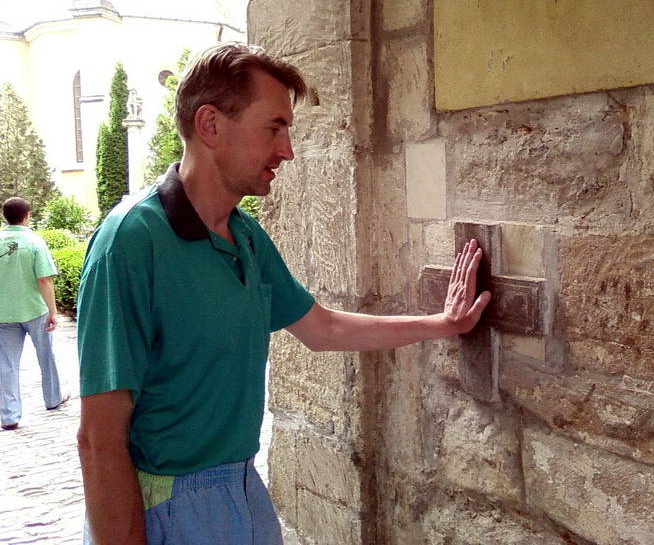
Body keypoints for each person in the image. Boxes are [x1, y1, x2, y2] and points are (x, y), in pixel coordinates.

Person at [76, 42, 491, 545]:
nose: (287, 150)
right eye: (274, 128)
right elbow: (98, 441)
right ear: (210, 124)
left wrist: (443, 324)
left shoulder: (245, 235)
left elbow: (324, 328)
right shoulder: (130, 243)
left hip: (243, 489)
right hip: (168, 504)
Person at [0, 197, 69, 431]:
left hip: (4, 313)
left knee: (6, 364)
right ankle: (53, 398)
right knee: (46, 356)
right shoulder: (35, 242)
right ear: (27, 215)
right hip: (35, 309)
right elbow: (44, 279)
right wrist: (53, 311)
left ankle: (9, 416)